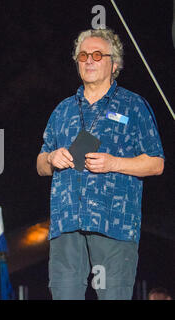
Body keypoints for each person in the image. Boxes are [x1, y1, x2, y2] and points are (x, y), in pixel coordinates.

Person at [36, 28, 165, 300]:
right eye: (83, 55)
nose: (89, 60)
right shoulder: (63, 109)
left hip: (114, 224)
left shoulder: (133, 106)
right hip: (66, 223)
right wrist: (50, 159)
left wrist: (114, 163)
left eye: (97, 54)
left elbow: (156, 163)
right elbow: (40, 164)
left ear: (114, 64)